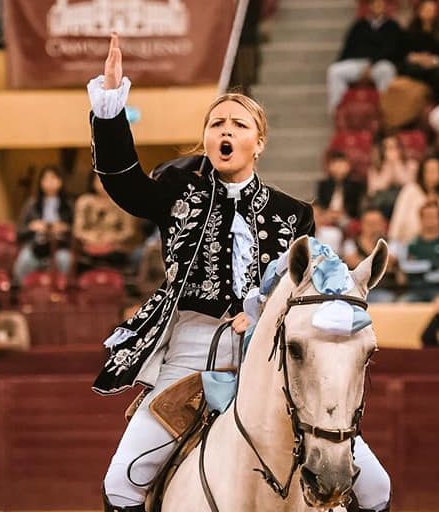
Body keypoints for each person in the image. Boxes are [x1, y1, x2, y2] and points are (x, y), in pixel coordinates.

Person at [92, 35, 390, 512]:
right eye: (216, 124)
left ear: (259, 141)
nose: (224, 131)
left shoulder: (294, 214)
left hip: (273, 360)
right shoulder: (177, 188)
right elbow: (123, 182)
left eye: (237, 123)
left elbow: (303, 289)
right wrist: (109, 107)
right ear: (208, 138)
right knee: (122, 483)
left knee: (376, 490)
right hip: (189, 355)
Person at [326, 0, 403, 114]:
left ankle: (385, 113)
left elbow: (392, 50)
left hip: (380, 64)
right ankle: (337, 111)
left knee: (387, 70)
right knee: (334, 71)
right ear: (370, 6)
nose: (378, 7)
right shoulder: (359, 25)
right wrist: (344, 62)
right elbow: (348, 47)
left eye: (381, 4)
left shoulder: (393, 26)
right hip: (358, 64)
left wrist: (371, 64)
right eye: (375, 4)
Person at [13, 165, 73, 282]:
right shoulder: (32, 204)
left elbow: (74, 229)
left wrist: (64, 228)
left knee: (65, 260)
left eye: (53, 178)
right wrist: (33, 227)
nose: (50, 183)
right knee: (23, 262)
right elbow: (19, 231)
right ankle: (25, 294)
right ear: (40, 182)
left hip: (60, 245)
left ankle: (60, 294)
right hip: (36, 245)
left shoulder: (68, 205)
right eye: (46, 179)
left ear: (60, 182)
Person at [388, 156, 439, 247]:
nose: (432, 174)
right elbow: (397, 219)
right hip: (407, 243)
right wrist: (392, 240)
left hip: (436, 246)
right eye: (429, 171)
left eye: (435, 171)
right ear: (422, 173)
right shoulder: (410, 190)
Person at [73, 173, 136, 271]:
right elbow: (77, 230)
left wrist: (112, 237)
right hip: (89, 244)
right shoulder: (84, 201)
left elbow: (129, 231)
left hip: (115, 245)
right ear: (92, 182)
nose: (103, 183)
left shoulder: (123, 201)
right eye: (99, 180)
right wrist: (90, 237)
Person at [398, 202, 439, 302]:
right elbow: (404, 266)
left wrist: (429, 277)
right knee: (402, 303)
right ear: (420, 219)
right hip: (415, 289)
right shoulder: (410, 242)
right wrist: (429, 265)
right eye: (426, 216)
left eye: (433, 216)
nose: (429, 220)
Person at [342, 207, 399, 303]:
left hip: (384, 289)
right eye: (369, 223)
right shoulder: (350, 243)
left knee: (384, 300)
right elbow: (352, 263)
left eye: (375, 223)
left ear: (383, 224)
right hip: (357, 290)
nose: (372, 227)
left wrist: (373, 242)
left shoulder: (392, 243)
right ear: (362, 225)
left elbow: (388, 263)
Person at [401, 0, 439, 98]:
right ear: (419, 11)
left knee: (436, 73)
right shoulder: (410, 30)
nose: (428, 13)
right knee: (409, 69)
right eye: (426, 9)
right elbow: (404, 51)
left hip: (436, 65)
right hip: (415, 64)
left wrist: (433, 60)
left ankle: (437, 101)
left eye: (432, 10)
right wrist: (417, 58)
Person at [366, 136, 417, 218]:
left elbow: (408, 184)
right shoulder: (374, 168)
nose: (391, 151)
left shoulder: (411, 165)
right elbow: (373, 191)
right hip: (383, 205)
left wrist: (396, 164)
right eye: (388, 148)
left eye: (394, 147)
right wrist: (388, 166)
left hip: (405, 202)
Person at [316, 150, 363, 230]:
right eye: (336, 164)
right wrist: (328, 213)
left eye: (342, 164)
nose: (339, 168)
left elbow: (355, 207)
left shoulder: (355, 185)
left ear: (348, 166)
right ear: (330, 166)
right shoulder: (323, 185)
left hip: (346, 217)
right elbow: (321, 204)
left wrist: (342, 213)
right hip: (327, 215)